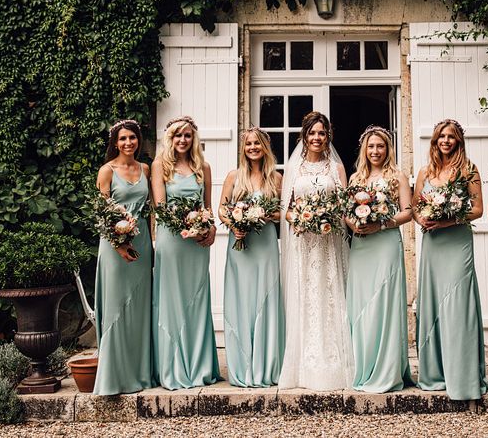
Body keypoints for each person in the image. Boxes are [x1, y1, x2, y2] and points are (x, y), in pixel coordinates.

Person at [278, 111, 354, 390]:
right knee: (306, 299)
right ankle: (304, 368)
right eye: (313, 133)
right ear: (305, 136)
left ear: (328, 137)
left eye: (322, 133)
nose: (317, 138)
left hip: (329, 244)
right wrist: (302, 219)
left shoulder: (336, 169)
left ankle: (334, 365)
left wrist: (328, 218)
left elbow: (345, 207)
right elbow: (286, 211)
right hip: (304, 245)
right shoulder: (294, 169)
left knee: (330, 296)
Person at [413, 118, 487, 400]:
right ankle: (435, 373)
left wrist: (446, 220)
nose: (445, 141)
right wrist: (426, 217)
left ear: (458, 141)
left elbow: (478, 209)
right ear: (435, 141)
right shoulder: (425, 172)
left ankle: (463, 373)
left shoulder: (468, 170)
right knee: (433, 301)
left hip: (456, 241)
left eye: (451, 137)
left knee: (458, 302)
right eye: (441, 136)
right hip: (433, 243)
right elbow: (417, 207)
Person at [151, 116, 220, 390]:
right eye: (177, 136)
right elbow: (160, 208)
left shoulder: (203, 167)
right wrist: (187, 224)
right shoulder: (160, 167)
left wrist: (210, 229)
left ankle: (200, 366)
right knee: (172, 300)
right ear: (170, 139)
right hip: (172, 240)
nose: (182, 140)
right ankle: (172, 367)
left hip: (196, 245)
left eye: (187, 136)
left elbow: (208, 207)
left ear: (194, 139)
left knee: (196, 298)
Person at [345, 125, 414, 392]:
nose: (375, 151)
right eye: (371, 146)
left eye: (380, 146)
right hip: (361, 246)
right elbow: (347, 212)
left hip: (385, 244)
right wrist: (353, 224)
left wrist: (380, 224)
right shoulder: (355, 179)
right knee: (362, 305)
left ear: (388, 149)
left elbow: (407, 212)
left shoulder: (398, 176)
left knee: (384, 303)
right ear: (365, 149)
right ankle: (363, 365)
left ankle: (386, 369)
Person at [218, 127, 285, 387]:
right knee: (241, 300)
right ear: (243, 148)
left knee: (264, 298)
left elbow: (283, 214)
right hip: (240, 245)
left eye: (257, 143)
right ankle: (242, 366)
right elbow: (222, 210)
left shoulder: (276, 178)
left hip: (265, 245)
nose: (253, 147)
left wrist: (264, 215)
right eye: (248, 144)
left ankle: (266, 366)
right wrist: (234, 223)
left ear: (265, 147)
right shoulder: (234, 176)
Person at [93, 119, 155, 395]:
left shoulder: (145, 168)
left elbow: (152, 209)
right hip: (114, 245)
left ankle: (139, 374)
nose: (128, 143)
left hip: (141, 242)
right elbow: (101, 213)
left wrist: (152, 240)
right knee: (118, 304)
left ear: (138, 140)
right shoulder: (107, 171)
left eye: (132, 138)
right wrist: (118, 244)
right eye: (122, 139)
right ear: (115, 143)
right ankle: (113, 377)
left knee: (140, 306)